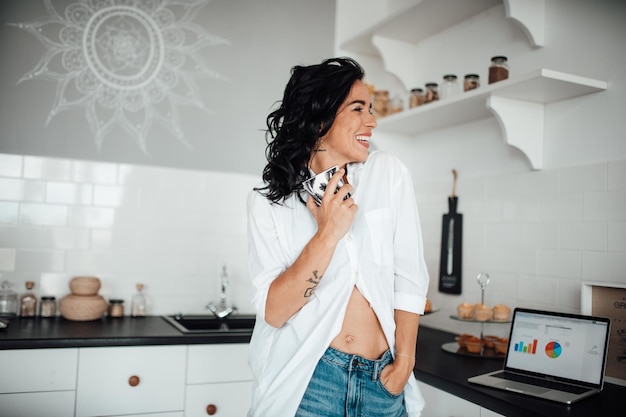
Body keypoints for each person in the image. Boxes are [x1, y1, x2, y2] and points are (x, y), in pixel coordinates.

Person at [246, 57, 430, 417]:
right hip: (310, 383)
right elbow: (275, 311)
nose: (372, 122)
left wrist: (405, 360)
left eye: (371, 110)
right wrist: (327, 234)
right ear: (319, 118)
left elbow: (409, 275)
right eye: (358, 108)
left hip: (384, 380)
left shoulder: (387, 173)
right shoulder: (269, 203)